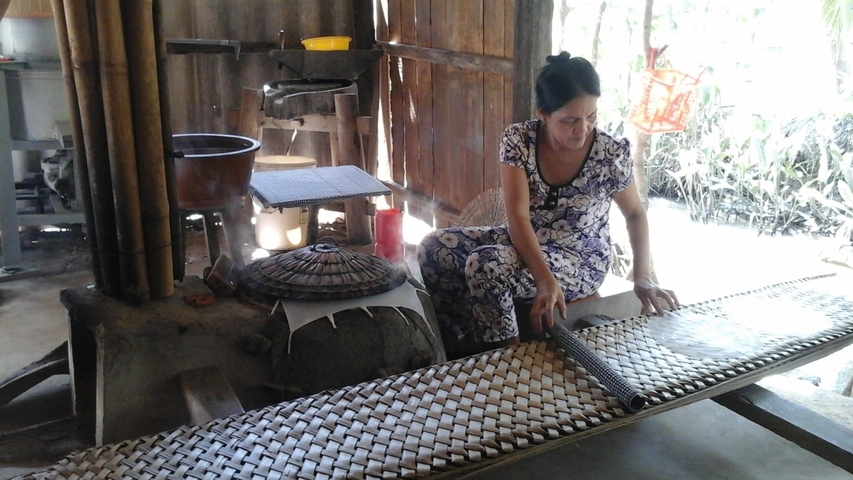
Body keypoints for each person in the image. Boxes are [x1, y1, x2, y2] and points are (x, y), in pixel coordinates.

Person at [417, 51, 679, 357]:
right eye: (570, 120)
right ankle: (460, 343)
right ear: (543, 113)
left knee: (486, 264)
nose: (583, 128)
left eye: (591, 116)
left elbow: (634, 213)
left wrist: (643, 276)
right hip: (527, 238)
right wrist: (544, 279)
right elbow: (516, 217)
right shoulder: (519, 141)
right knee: (433, 247)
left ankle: (506, 365)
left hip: (580, 258)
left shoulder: (609, 154)